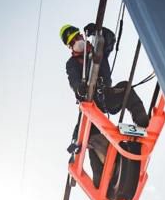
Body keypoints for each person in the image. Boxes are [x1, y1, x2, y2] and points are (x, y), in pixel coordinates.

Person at [60, 22, 150, 188]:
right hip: (91, 103)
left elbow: (109, 40)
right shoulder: (72, 63)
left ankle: (142, 121)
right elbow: (73, 80)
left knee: (125, 88)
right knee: (87, 133)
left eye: (77, 37)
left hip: (106, 96)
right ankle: (87, 169)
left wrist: (98, 31)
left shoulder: (97, 49)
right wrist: (79, 88)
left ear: (81, 35)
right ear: (70, 47)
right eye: (72, 42)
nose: (77, 42)